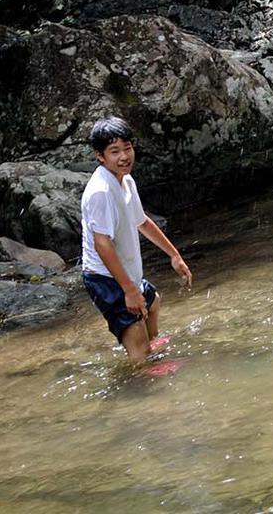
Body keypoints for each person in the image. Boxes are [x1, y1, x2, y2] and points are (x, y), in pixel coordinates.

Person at [80, 116, 193, 363]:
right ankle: (142, 376)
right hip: (104, 278)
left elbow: (141, 222)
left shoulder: (126, 181)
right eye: (114, 151)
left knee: (151, 303)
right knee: (139, 351)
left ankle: (150, 352)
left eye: (127, 148)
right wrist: (129, 290)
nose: (124, 157)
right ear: (100, 156)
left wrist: (174, 255)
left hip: (124, 272)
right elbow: (102, 244)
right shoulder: (101, 192)